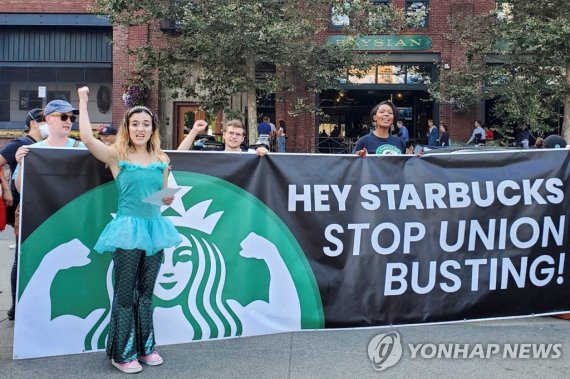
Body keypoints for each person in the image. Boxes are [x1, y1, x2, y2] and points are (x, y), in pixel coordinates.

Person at [78, 86, 182, 373]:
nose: (140, 128)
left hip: (155, 230)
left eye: (145, 124)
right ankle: (122, 353)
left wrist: (167, 197)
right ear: (128, 128)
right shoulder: (116, 156)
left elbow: (164, 194)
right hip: (126, 231)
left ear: (152, 129)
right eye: (135, 123)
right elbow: (87, 139)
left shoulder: (161, 159)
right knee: (125, 294)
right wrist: (84, 101)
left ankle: (145, 347)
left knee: (146, 293)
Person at [0, 107, 47, 320]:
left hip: (39, 205)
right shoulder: (20, 144)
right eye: (43, 119)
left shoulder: (41, 146)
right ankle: (15, 308)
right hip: (22, 206)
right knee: (21, 256)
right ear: (33, 123)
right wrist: (6, 188)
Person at [178, 119, 268, 156]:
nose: (234, 137)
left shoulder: (251, 154)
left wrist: (266, 154)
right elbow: (179, 155)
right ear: (224, 135)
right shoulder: (212, 155)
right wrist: (194, 130)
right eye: (231, 133)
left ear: (243, 138)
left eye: (238, 134)